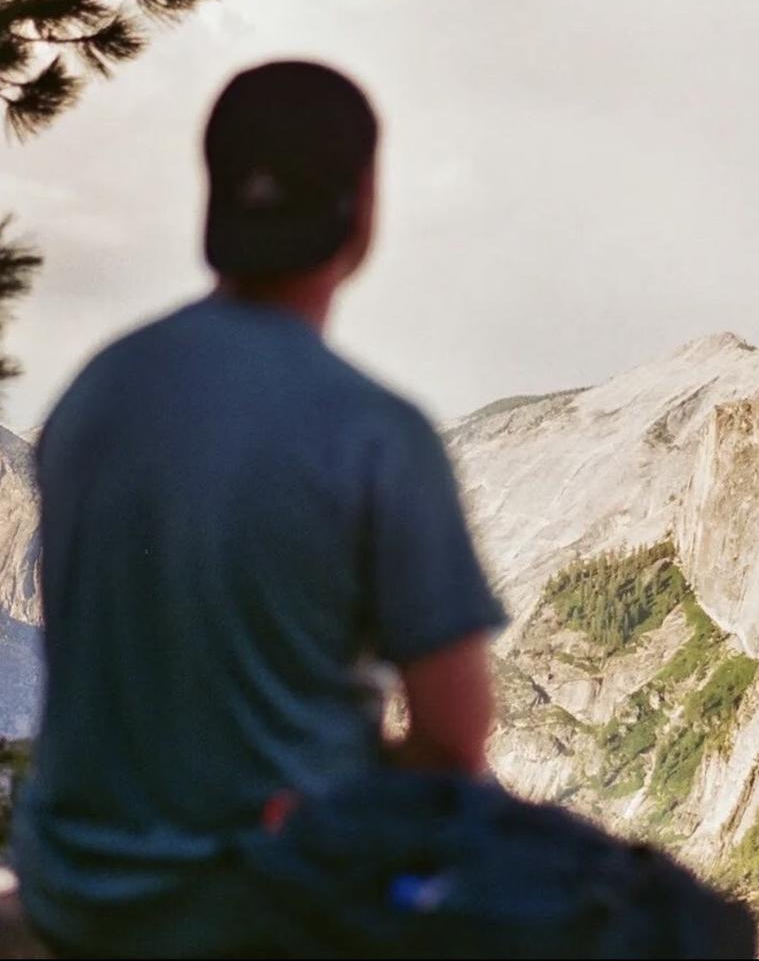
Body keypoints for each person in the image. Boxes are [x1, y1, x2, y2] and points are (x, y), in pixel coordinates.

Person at [14, 61, 508, 957]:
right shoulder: (375, 434)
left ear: (215, 199)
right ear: (362, 207)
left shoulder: (92, 395)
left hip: (75, 891)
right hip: (259, 911)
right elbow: (455, 735)